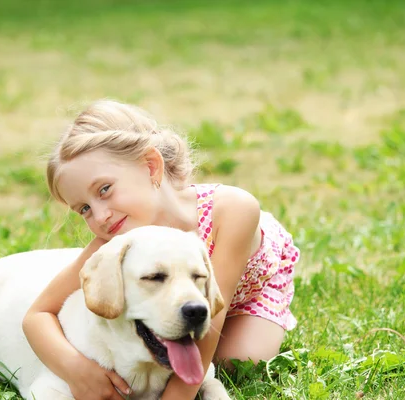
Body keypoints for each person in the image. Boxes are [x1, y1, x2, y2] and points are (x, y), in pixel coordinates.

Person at [22, 99, 299, 400]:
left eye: (105, 190)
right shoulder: (114, 244)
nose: (100, 216)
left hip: (250, 286)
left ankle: (271, 318)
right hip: (172, 305)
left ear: (151, 166)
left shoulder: (233, 209)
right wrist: (76, 370)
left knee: (236, 363)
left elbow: (214, 312)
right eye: (85, 209)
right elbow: (37, 315)